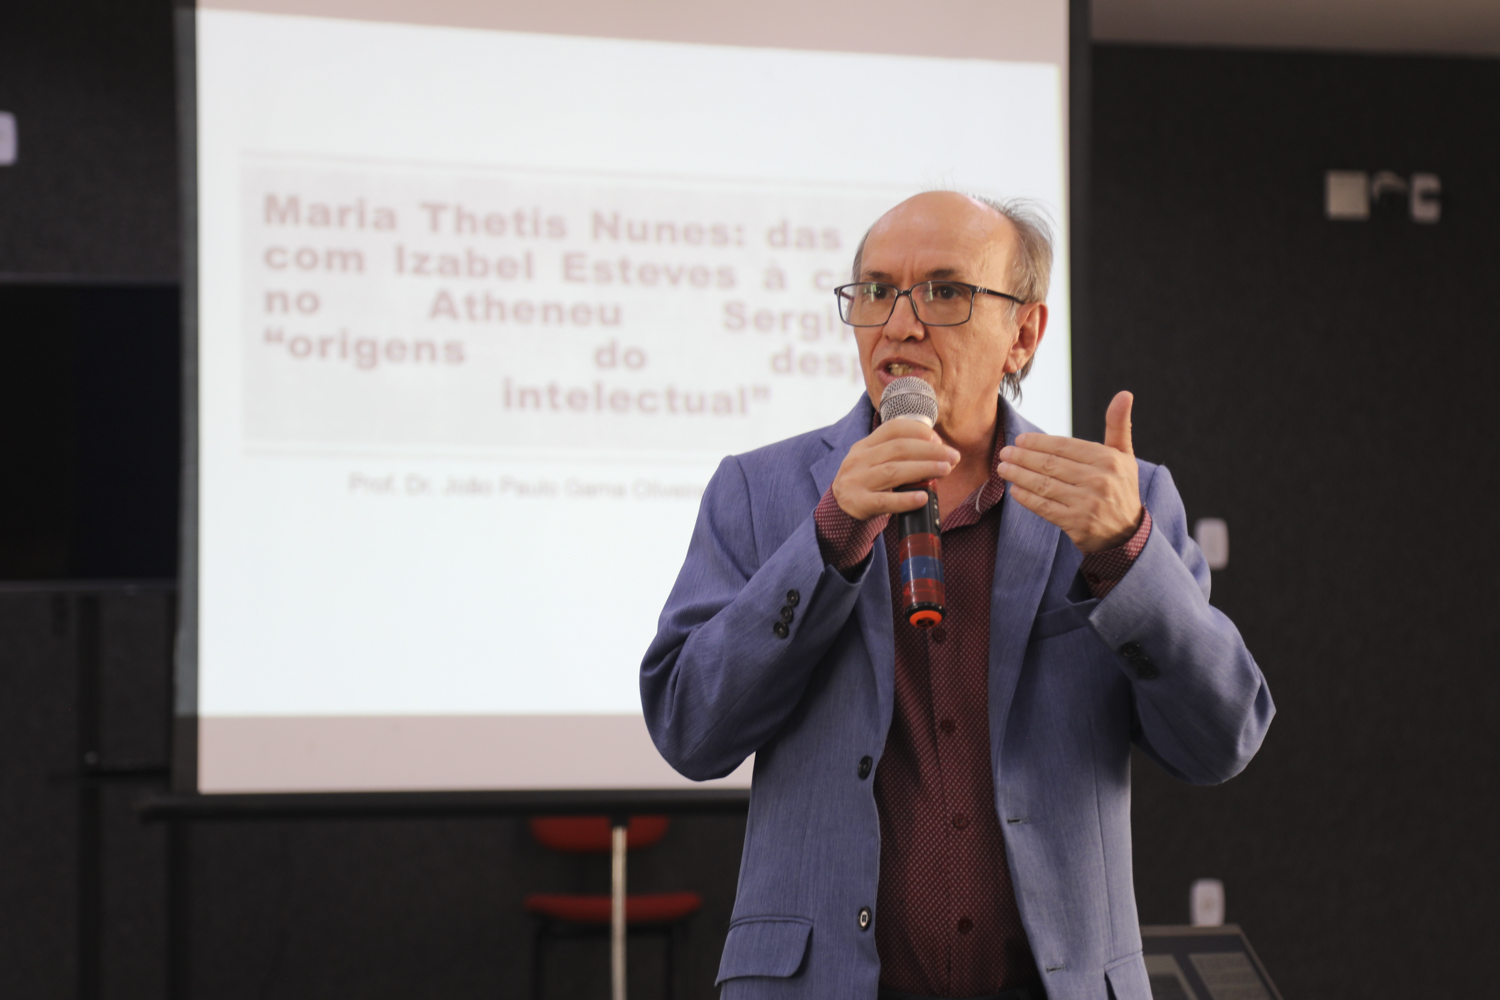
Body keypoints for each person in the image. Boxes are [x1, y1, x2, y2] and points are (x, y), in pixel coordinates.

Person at [640, 191, 1273, 1000]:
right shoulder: (762, 493)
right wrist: (828, 537)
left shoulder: (1119, 498)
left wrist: (1124, 554)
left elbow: (1221, 739)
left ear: (1025, 333)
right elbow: (690, 729)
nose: (898, 323)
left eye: (944, 291)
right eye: (874, 291)